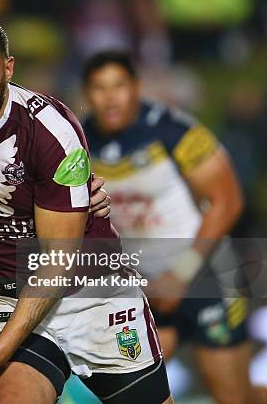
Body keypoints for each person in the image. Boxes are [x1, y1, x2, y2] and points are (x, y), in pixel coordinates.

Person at [0, 14, 172, 404]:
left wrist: (1, 349)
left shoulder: (49, 129)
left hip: (93, 294)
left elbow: (60, 257)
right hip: (5, 300)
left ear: (7, 69)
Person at [81, 50, 251, 404]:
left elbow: (228, 201)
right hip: (148, 288)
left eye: (119, 86)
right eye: (99, 88)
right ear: (86, 94)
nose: (110, 97)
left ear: (137, 88)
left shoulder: (174, 132)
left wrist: (182, 273)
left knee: (233, 396)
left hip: (205, 278)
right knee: (134, 396)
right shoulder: (79, 141)